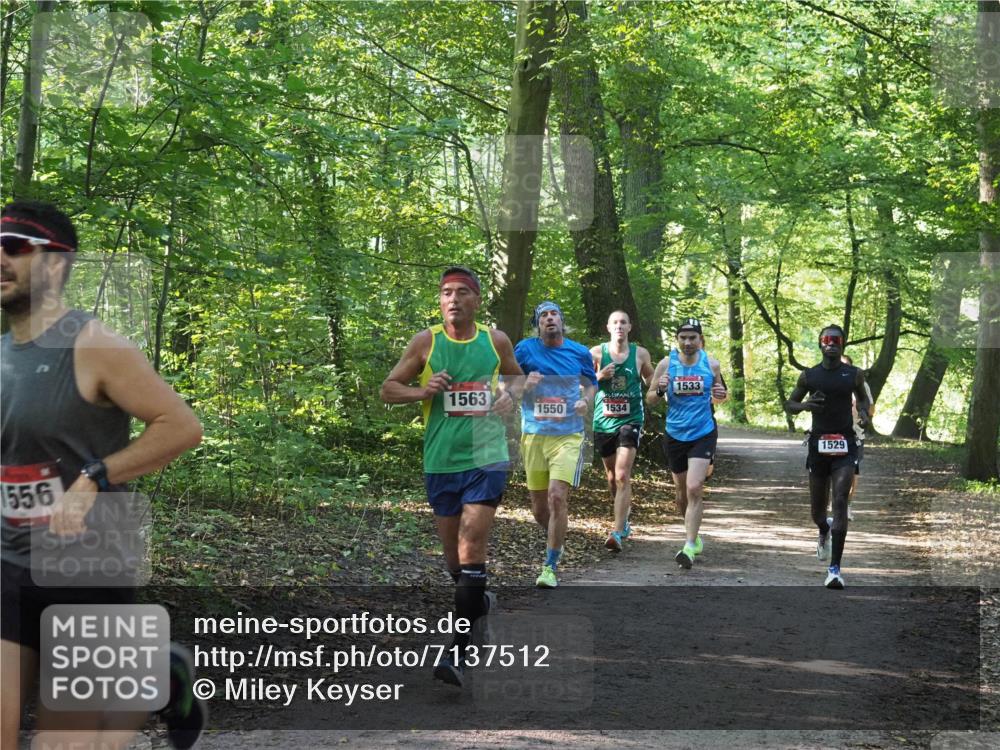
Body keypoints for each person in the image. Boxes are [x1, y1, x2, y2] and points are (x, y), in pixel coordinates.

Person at [1, 201, 205, 749]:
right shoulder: (1, 355)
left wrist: (94, 476)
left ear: (56, 264)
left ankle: (156, 677)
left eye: (17, 246)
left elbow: (180, 426)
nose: (1, 256)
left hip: (85, 564)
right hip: (8, 564)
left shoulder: (94, 345)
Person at [381, 266, 522, 686]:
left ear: (477, 300)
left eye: (462, 292)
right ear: (440, 301)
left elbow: (517, 378)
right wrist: (422, 392)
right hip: (441, 459)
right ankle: (479, 603)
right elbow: (388, 388)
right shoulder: (426, 343)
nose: (453, 299)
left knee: (471, 544)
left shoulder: (495, 341)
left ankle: (457, 653)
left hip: (487, 454)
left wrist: (507, 399)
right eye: (446, 293)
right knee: (455, 563)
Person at [515, 301, 597, 588]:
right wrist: (524, 385)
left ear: (562, 322)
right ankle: (557, 536)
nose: (549, 319)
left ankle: (549, 565)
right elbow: (507, 386)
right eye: (543, 316)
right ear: (537, 325)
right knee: (540, 511)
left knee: (557, 497)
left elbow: (591, 383)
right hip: (535, 434)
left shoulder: (579, 352)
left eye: (554, 315)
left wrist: (586, 401)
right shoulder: (524, 350)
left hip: (568, 434)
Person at [785, 325, 871, 589]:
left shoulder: (854, 375)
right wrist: (805, 406)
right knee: (817, 512)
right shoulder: (809, 376)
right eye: (826, 339)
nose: (831, 343)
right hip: (818, 445)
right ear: (820, 344)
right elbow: (789, 405)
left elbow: (864, 400)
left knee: (841, 499)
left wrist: (865, 414)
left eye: (836, 340)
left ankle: (835, 570)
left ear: (843, 344)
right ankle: (824, 529)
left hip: (845, 442)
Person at [646, 318, 727, 570]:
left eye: (693, 337)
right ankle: (693, 533)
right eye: (683, 337)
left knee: (694, 487)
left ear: (700, 340)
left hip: (703, 432)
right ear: (677, 339)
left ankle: (689, 545)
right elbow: (650, 400)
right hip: (674, 434)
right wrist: (659, 390)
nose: (688, 342)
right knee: (681, 494)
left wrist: (721, 395)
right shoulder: (666, 364)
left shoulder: (711, 364)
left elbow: (721, 395)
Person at [590, 310, 653, 551]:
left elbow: (650, 381)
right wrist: (599, 375)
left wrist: (659, 386)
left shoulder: (640, 353)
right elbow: (581, 386)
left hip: (631, 419)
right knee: (611, 477)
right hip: (603, 422)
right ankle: (623, 518)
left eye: (623, 322)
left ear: (630, 327)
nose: (619, 326)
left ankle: (616, 531)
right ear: (608, 327)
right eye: (614, 322)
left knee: (622, 475)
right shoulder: (596, 353)